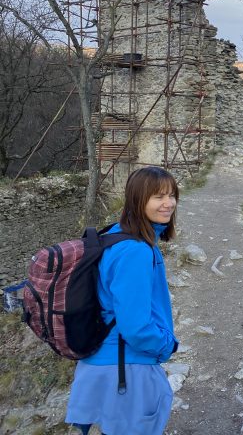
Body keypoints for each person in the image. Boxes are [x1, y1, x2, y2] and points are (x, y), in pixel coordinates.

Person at [65, 166, 179, 435]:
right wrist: (165, 346)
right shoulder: (135, 250)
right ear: (138, 200)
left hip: (101, 364)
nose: (169, 203)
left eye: (172, 195)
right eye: (158, 197)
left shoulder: (114, 235)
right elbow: (135, 326)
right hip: (124, 369)